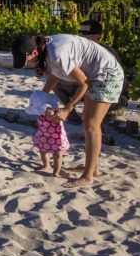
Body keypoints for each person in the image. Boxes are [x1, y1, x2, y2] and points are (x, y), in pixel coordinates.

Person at [12, 33, 125, 187]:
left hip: (108, 75)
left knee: (91, 124)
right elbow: (56, 74)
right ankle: (94, 169)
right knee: (88, 121)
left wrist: (67, 109)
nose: (29, 63)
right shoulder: (45, 46)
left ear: (34, 52)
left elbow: (84, 83)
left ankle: (88, 177)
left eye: (27, 60)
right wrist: (41, 97)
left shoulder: (57, 52)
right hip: (97, 74)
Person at [32, 105, 70, 177]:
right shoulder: (41, 116)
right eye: (46, 110)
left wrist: (57, 115)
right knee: (42, 151)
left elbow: (63, 119)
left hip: (57, 140)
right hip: (44, 137)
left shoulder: (55, 118)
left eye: (50, 110)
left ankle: (56, 172)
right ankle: (46, 166)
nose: (48, 112)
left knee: (57, 155)